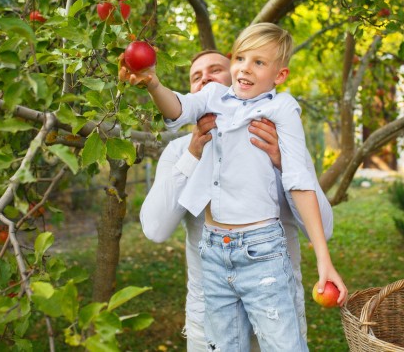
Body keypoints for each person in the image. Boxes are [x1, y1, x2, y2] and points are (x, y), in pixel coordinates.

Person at [124, 22, 347, 351]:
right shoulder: (189, 133)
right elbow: (178, 108)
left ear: (277, 74)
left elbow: (307, 196)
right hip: (213, 260)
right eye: (241, 58)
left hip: (264, 257)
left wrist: (282, 163)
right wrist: (153, 84)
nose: (207, 79)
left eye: (216, 69)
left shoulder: (277, 122)